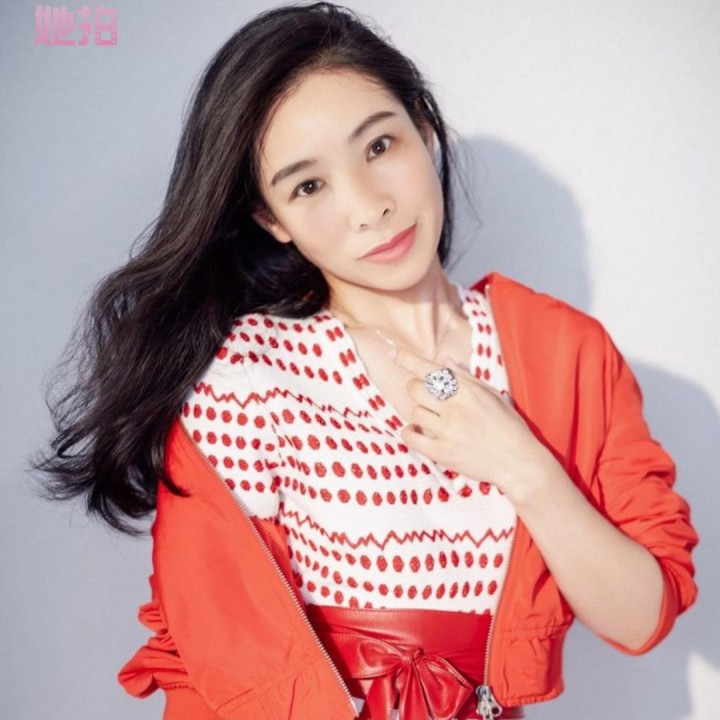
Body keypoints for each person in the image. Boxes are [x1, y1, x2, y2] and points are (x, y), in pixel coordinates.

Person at [38, 3, 698, 719]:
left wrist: (523, 466)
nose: (367, 206)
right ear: (272, 220)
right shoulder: (247, 381)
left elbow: (640, 617)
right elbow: (223, 667)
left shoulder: (562, 352)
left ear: (423, 127)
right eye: (309, 185)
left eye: (379, 146)